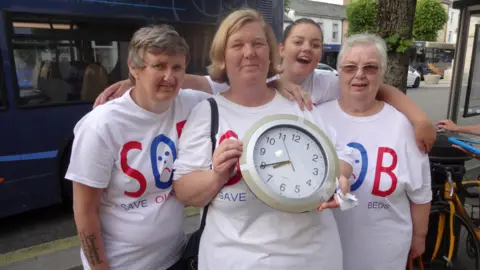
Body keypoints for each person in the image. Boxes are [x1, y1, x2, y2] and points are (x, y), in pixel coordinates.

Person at [172, 8, 354, 270]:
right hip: (235, 259)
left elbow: (341, 155)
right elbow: (184, 191)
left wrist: (340, 179)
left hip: (313, 257)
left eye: (258, 43)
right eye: (237, 45)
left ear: (271, 52)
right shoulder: (207, 112)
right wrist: (217, 176)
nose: (250, 52)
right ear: (222, 56)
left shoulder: (298, 104)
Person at [94, 19, 436, 154]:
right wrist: (135, 78)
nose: (308, 49)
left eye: (316, 44)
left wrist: (418, 119)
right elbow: (204, 81)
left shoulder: (330, 83)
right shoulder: (256, 82)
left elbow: (379, 89)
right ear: (282, 49)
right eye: (299, 41)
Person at [65, 25, 211, 270]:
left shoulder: (191, 103)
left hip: (176, 257)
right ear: (134, 68)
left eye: (177, 67)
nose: (170, 77)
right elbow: (84, 209)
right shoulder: (101, 126)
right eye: (158, 66)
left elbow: (241, 87)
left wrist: (283, 86)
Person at [315, 33, 432, 270]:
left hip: (385, 252)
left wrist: (419, 237)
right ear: (339, 72)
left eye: (370, 67)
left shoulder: (403, 126)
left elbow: (420, 191)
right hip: (325, 249)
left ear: (382, 73)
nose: (359, 74)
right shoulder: (316, 117)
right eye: (350, 67)